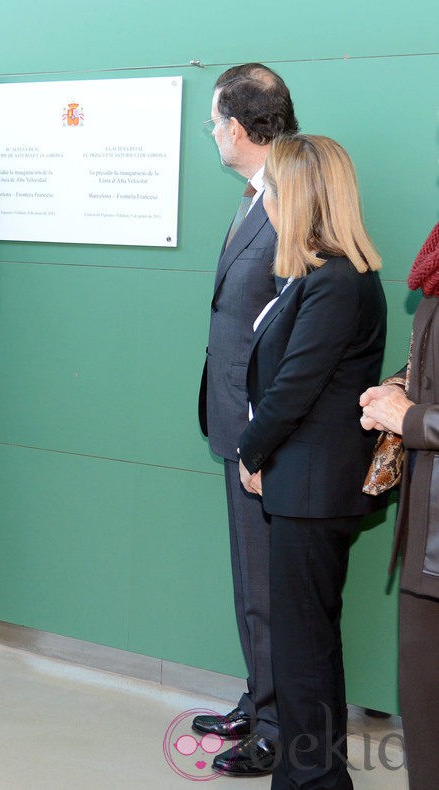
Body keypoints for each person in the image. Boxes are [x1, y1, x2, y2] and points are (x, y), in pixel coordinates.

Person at [239, 134, 386, 789]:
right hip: (309, 485)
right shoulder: (325, 275)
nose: (263, 199)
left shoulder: (334, 281)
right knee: (309, 644)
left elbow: (293, 385)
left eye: (271, 188)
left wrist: (251, 451)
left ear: (297, 196)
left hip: (311, 487)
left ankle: (311, 780)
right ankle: (318, 778)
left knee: (302, 650)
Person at [195, 63, 298, 775]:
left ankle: (276, 728)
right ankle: (259, 698)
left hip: (268, 435)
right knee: (250, 583)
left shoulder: (295, 199)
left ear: (236, 127)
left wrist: (262, 436)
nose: (212, 134)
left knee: (270, 588)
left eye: (212, 122)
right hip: (241, 426)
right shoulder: (257, 195)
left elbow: (298, 334)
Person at [359, 221, 439, 790]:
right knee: (426, 718)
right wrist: (393, 392)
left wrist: (406, 418)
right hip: (426, 537)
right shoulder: (435, 257)